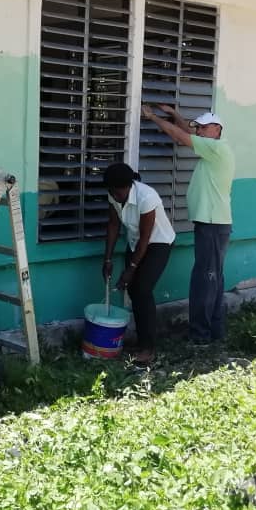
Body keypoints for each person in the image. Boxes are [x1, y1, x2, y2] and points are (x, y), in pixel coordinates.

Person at [141, 104, 235, 345]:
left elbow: (181, 136)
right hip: (213, 225)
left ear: (217, 129)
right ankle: (214, 331)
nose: (200, 131)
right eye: (200, 127)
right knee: (212, 278)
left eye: (204, 127)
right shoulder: (213, 148)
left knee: (205, 279)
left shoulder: (216, 148)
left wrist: (152, 117)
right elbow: (189, 134)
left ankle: (200, 335)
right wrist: (175, 115)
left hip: (212, 225)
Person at [101, 163, 175, 365]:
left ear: (127, 187)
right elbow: (113, 225)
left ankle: (149, 348)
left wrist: (130, 270)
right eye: (111, 191)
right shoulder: (114, 195)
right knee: (133, 292)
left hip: (158, 243)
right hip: (136, 244)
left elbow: (146, 238)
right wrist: (107, 259)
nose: (113, 195)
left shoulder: (146, 197)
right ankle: (142, 342)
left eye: (116, 191)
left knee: (142, 289)